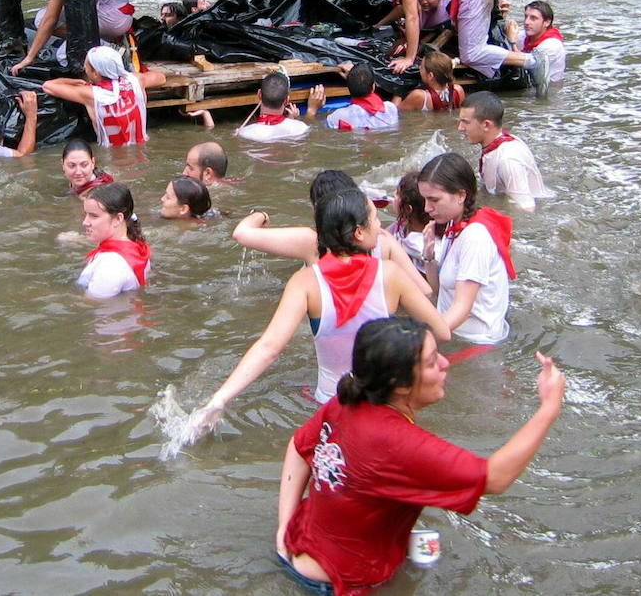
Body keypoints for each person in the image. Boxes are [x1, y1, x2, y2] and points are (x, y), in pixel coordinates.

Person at [275, 317, 565, 596]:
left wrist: (284, 527)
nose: (445, 363)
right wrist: (549, 408)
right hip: (337, 584)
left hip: (298, 548)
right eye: (431, 362)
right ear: (400, 384)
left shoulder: (348, 401)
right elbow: (496, 478)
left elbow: (298, 447)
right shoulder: (397, 444)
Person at [193, 189, 453, 430]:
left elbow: (268, 348)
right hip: (383, 407)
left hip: (330, 406)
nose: (379, 226)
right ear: (359, 233)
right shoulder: (391, 274)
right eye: (374, 219)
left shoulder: (305, 282)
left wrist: (219, 399)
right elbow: (442, 332)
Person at [349, 0, 551, 96]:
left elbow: (411, 16)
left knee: (472, 53)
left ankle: (533, 61)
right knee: (471, 51)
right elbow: (412, 11)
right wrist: (391, 32)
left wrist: (409, 58)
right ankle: (531, 62)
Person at [231, 171, 429, 295]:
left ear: (317, 208)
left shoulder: (311, 242)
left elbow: (241, 233)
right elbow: (425, 291)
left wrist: (260, 214)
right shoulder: (383, 239)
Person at [416, 152, 515, 345]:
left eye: (434, 200)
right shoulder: (453, 227)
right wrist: (429, 256)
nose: (427, 208)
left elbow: (462, 306)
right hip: (454, 332)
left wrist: (420, 342)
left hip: (476, 343)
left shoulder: (475, 237)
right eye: (425, 199)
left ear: (461, 195)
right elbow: (439, 291)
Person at [42, 47, 166, 148]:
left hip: (110, 155)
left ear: (96, 74)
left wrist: (75, 82)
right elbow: (161, 78)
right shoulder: (137, 80)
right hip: (142, 148)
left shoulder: (90, 94)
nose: (84, 69)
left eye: (86, 67)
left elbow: (48, 86)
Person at [456, 91, 551, 212]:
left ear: (486, 125)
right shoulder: (495, 145)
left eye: (466, 122)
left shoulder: (508, 160)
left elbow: (526, 208)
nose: (460, 128)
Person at [77, 183, 151, 299]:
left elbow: (90, 305)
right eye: (85, 214)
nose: (85, 222)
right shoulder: (137, 243)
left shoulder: (110, 268)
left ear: (118, 219)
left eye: (94, 216)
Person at [309, 64, 400, 132]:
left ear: (348, 89)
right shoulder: (390, 108)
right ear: (373, 87)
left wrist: (311, 110)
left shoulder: (339, 116)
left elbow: (315, 130)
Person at [235, 72, 310, 142]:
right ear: (287, 100)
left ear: (259, 95)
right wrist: (311, 110)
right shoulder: (301, 128)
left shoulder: (244, 133)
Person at [505, 0, 566, 83]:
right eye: (526, 17)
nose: (526, 22)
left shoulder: (552, 46)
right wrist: (502, 16)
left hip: (549, 87)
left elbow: (524, 64)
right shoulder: (525, 35)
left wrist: (512, 42)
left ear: (547, 22)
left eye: (533, 18)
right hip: (529, 81)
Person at [395, 50, 466, 114]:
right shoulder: (458, 90)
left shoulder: (419, 96)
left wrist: (398, 89)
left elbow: (395, 113)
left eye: (421, 67)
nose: (419, 69)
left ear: (430, 76)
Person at [388, 171, 431, 271]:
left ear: (408, 209)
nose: (394, 194)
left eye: (397, 193)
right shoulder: (402, 225)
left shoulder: (419, 245)